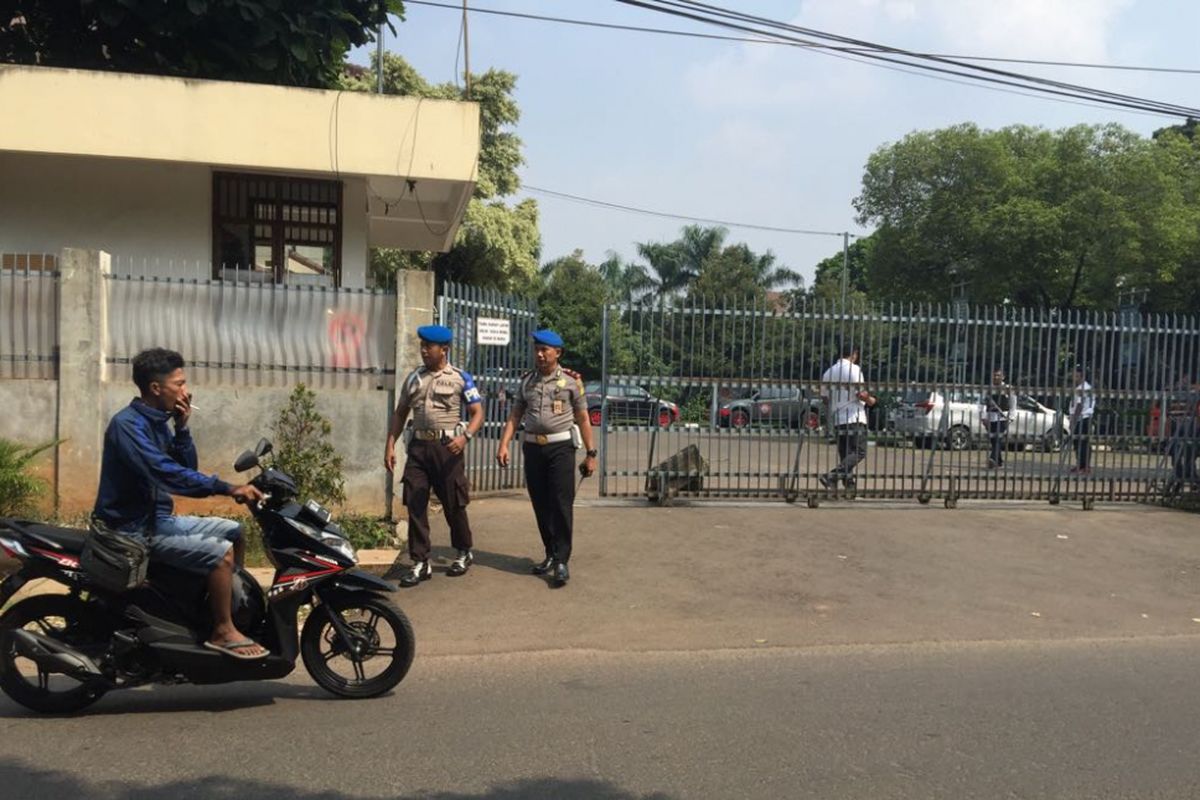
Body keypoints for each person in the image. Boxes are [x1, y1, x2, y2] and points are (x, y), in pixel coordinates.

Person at [93, 348, 267, 660]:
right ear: (156, 388)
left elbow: (185, 466)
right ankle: (223, 629)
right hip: (132, 531)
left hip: (156, 520)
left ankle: (219, 607)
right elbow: (167, 473)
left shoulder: (159, 420)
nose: (185, 391)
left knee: (234, 532)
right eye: (180, 384)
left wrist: (182, 428)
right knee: (220, 554)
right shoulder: (128, 426)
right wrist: (227, 487)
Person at [384, 325, 484, 588]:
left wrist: (465, 438)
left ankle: (463, 551)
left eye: (430, 346)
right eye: (422, 346)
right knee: (415, 501)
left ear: (444, 349)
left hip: (447, 448)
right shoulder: (414, 378)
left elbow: (477, 413)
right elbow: (400, 413)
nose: (424, 350)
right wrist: (390, 445)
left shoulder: (461, 378)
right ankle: (420, 561)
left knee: (453, 503)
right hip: (418, 449)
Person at [495, 329, 596, 587]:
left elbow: (583, 418)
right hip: (533, 449)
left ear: (557, 353)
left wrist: (591, 453)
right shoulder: (527, 381)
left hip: (561, 449)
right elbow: (515, 416)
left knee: (561, 505)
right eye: (536, 349)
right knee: (540, 504)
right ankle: (550, 553)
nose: (539, 354)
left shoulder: (572, 382)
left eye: (545, 350)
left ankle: (562, 560)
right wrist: (503, 444)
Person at [819, 343, 876, 492]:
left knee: (846, 455)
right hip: (854, 416)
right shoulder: (854, 370)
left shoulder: (829, 372)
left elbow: (824, 397)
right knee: (859, 451)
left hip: (838, 418)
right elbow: (860, 394)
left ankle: (849, 486)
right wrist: (871, 400)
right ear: (854, 354)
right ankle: (831, 476)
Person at [1166, 372, 1200, 494]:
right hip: (1182, 433)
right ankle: (1184, 477)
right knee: (1176, 453)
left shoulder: (1192, 394)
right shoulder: (1179, 394)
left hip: (1193, 435)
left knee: (1187, 457)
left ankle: (1190, 479)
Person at [981, 369, 1014, 469]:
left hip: (1002, 417)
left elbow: (1013, 403)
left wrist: (1011, 416)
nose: (996, 377)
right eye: (994, 375)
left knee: (998, 438)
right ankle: (999, 462)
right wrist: (983, 417)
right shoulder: (988, 388)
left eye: (998, 375)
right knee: (993, 440)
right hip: (990, 417)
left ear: (1003, 377)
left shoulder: (1008, 388)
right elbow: (982, 404)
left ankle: (993, 459)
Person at [1069, 365, 1096, 474]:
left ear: (1082, 376)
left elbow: (1079, 405)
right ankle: (1081, 465)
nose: (1074, 377)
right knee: (1080, 442)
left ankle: (1084, 466)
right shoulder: (1085, 387)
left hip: (1082, 418)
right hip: (1084, 417)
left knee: (1082, 443)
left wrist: (1074, 420)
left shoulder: (1082, 388)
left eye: (1076, 375)